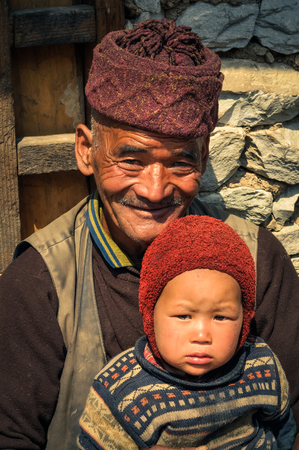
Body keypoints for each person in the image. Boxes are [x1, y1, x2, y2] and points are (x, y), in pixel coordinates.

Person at [0, 18, 299, 450]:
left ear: (203, 158)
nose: (154, 189)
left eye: (180, 163)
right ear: (86, 150)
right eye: (131, 160)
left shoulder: (254, 258)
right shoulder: (39, 283)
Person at [78, 215, 296, 450]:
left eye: (221, 317)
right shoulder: (121, 389)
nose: (201, 335)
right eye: (184, 316)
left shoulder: (261, 364)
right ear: (150, 315)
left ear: (245, 319)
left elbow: (284, 429)